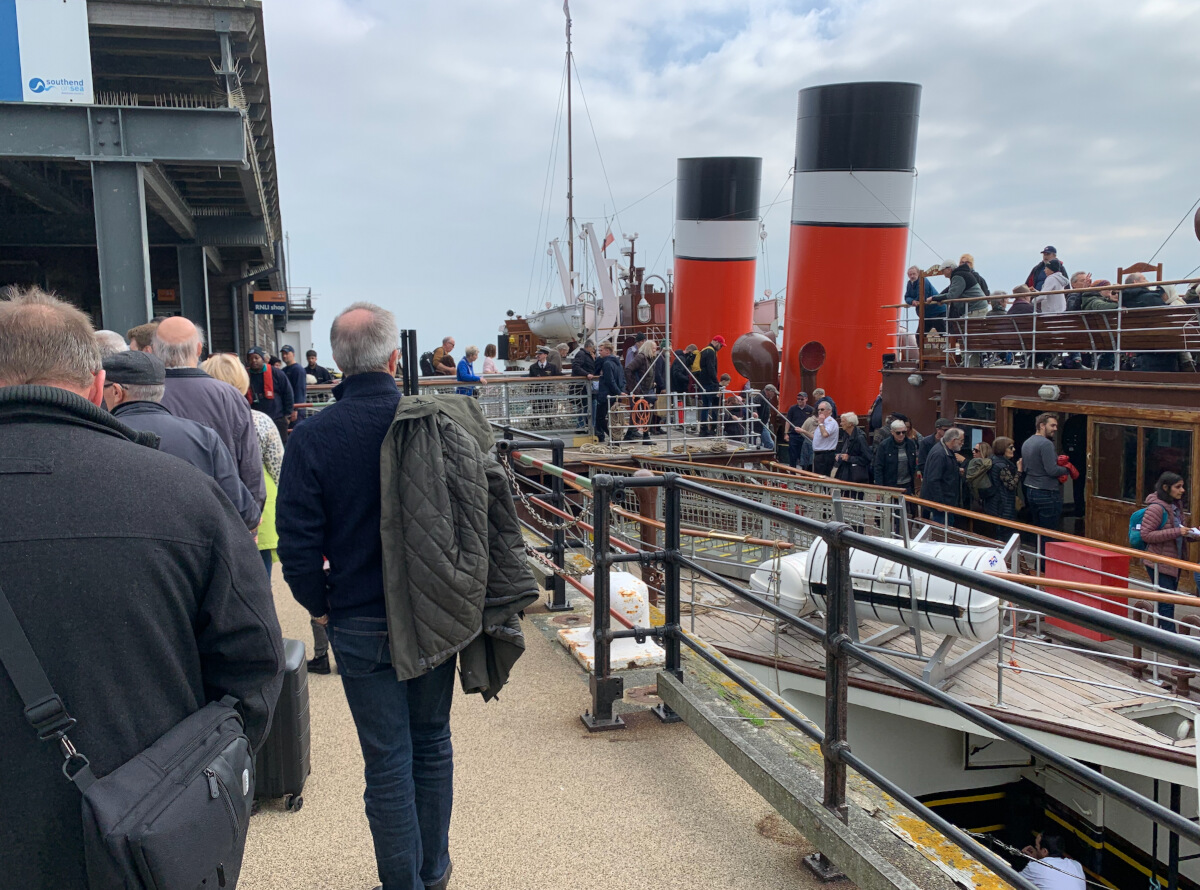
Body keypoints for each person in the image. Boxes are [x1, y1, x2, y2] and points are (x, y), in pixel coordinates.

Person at [0, 288, 283, 889]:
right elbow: (254, 665)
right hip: (140, 836)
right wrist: (199, 778)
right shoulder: (181, 493)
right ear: (99, 386)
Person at [279, 302, 459, 889]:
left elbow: (297, 543)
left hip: (356, 614)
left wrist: (320, 605)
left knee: (387, 761)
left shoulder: (312, 437)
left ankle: (402, 882)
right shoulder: (433, 423)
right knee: (431, 742)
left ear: (337, 361)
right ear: (393, 360)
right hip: (431, 611)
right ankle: (434, 871)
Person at [103, 351, 260, 529]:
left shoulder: (97, 436)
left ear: (116, 392)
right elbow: (245, 513)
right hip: (192, 543)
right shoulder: (203, 437)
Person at [154, 316, 265, 510]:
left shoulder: (144, 394)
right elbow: (250, 466)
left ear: (154, 350)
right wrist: (252, 514)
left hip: (162, 510)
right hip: (221, 512)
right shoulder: (229, 396)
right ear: (199, 349)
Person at [1139, 472, 1200, 632]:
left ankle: (1161, 635)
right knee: (1166, 604)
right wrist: (1177, 532)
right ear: (1166, 487)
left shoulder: (1176, 506)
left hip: (1173, 561)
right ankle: (1170, 638)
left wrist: (1193, 533)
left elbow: (1180, 533)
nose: (1182, 490)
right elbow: (1146, 535)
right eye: (1178, 487)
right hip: (1159, 562)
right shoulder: (1156, 508)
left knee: (1167, 602)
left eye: (1182, 486)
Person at [1021, 413, 1073, 550]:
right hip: (1047, 492)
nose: (1055, 428)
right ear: (1042, 425)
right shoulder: (1046, 444)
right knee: (1048, 533)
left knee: (1039, 530)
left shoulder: (1028, 442)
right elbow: (1052, 470)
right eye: (1052, 425)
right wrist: (1068, 468)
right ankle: (1045, 561)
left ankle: (1040, 560)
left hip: (1031, 489)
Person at [247, 346, 295, 443]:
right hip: (255, 420)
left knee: (281, 444)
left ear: (262, 358)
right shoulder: (245, 376)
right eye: (251, 359)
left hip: (277, 417)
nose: (254, 361)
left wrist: (287, 414)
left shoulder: (276, 373)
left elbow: (287, 393)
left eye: (256, 358)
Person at [921, 427, 966, 524]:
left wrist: (956, 470)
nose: (962, 443)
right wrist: (939, 503)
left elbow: (943, 470)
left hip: (948, 502)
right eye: (961, 441)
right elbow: (933, 480)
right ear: (953, 440)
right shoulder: (940, 454)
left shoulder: (946, 450)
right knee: (941, 529)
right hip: (942, 504)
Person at [1018, 832, 1085, 890]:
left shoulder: (1035, 867)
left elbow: (1014, 880)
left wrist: (1034, 862)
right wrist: (1037, 859)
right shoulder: (1076, 865)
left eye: (1036, 847)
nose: (1035, 849)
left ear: (1044, 851)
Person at [874, 418, 918, 495]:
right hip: (890, 485)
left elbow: (913, 464)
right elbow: (878, 468)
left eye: (903, 432)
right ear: (892, 432)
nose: (901, 435)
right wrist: (879, 489)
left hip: (907, 484)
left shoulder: (911, 444)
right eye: (898, 433)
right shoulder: (884, 446)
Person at [593, 341, 625, 443]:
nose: (599, 352)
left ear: (607, 351)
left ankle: (614, 438)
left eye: (601, 350)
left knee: (600, 418)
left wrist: (618, 392)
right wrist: (621, 391)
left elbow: (609, 380)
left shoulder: (607, 364)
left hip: (606, 395)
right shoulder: (618, 363)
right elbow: (622, 379)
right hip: (615, 394)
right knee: (613, 417)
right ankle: (615, 438)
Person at [986, 437, 1021, 525]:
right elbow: (1011, 485)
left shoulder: (993, 460)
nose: (1014, 449)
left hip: (994, 503)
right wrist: (1019, 471)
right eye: (1011, 447)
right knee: (1004, 529)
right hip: (1002, 505)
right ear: (1002, 449)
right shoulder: (1001, 466)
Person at [904, 265, 945, 333]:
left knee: (943, 333)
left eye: (914, 274)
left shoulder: (923, 281)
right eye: (910, 275)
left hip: (937, 311)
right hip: (926, 314)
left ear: (918, 273)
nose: (912, 276)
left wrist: (915, 301)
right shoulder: (909, 284)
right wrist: (912, 301)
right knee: (919, 336)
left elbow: (922, 296)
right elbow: (906, 297)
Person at [697, 335, 725, 436]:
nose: (721, 347)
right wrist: (716, 382)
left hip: (702, 382)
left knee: (705, 406)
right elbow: (711, 368)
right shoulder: (711, 352)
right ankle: (712, 428)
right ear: (716, 342)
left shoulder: (704, 350)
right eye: (721, 345)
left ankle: (703, 428)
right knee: (714, 405)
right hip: (709, 383)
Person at [834, 412, 872, 484]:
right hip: (845, 473)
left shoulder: (860, 438)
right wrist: (840, 456)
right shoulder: (846, 435)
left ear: (850, 424)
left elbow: (867, 458)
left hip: (856, 476)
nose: (841, 424)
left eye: (843, 421)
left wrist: (849, 458)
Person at [785, 391, 816, 469]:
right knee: (792, 455)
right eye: (798, 399)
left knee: (804, 456)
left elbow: (814, 422)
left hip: (805, 436)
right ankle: (792, 472)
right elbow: (788, 421)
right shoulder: (792, 408)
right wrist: (786, 433)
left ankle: (804, 472)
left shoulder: (811, 409)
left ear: (806, 399)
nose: (799, 400)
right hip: (794, 435)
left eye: (802, 399)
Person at [570, 340, 594, 430]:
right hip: (581, 385)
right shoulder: (582, 354)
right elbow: (576, 366)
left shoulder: (584, 354)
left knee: (584, 405)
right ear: (589, 347)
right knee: (583, 405)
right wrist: (586, 374)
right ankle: (580, 426)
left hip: (583, 385)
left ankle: (582, 425)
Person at [811, 401, 839, 476]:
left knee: (822, 477)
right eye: (818, 410)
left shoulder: (830, 422)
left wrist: (820, 423)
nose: (820, 411)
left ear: (829, 410)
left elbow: (825, 434)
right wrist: (803, 431)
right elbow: (816, 437)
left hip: (825, 454)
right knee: (817, 476)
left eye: (822, 409)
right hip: (819, 454)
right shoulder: (823, 422)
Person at [280, 345, 306, 422]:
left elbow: (299, 390)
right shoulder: (283, 370)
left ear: (293, 354)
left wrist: (296, 409)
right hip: (286, 407)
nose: (284, 356)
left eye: (287, 353)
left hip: (295, 409)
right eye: (283, 354)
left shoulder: (298, 370)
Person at [754, 384, 779, 452]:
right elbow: (754, 404)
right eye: (773, 392)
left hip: (763, 422)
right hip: (760, 423)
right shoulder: (760, 397)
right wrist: (755, 412)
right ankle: (768, 456)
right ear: (768, 391)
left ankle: (763, 456)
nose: (774, 394)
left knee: (761, 443)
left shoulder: (766, 398)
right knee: (769, 443)